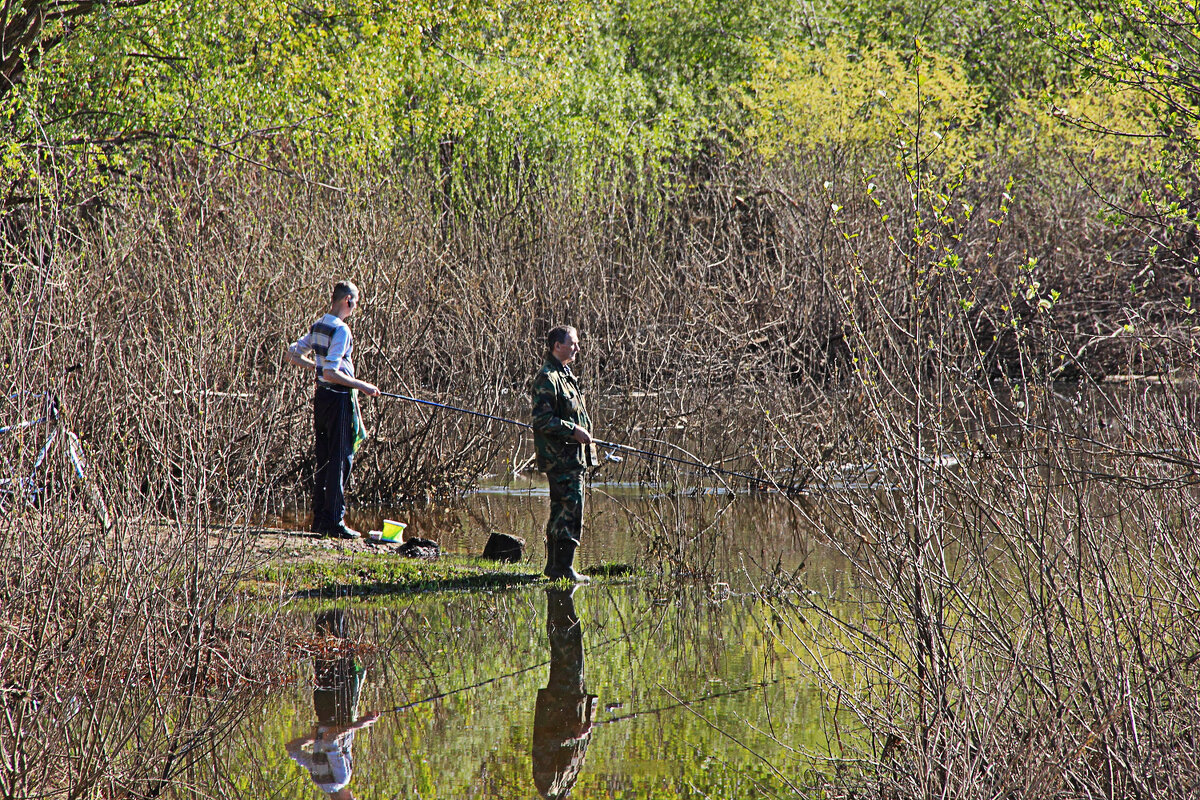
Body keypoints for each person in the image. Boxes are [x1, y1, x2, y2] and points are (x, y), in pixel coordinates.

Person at [286, 280, 379, 539]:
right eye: (356, 302)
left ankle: (320, 520)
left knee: (324, 459)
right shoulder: (341, 330)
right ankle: (335, 523)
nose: (355, 307)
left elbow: (293, 353)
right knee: (340, 459)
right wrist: (363, 386)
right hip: (338, 400)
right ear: (348, 300)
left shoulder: (318, 326)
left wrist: (315, 368)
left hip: (321, 398)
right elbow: (331, 371)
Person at [286, 609, 381, 799]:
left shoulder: (342, 778)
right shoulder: (318, 779)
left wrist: (362, 723)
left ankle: (336, 614)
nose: (355, 798)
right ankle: (322, 616)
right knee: (322, 662)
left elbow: (330, 739)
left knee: (344, 659)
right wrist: (314, 737)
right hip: (321, 709)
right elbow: (292, 748)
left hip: (339, 709)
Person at [530, 325, 598, 582]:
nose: (577, 348)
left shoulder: (565, 374)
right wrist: (573, 430)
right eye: (573, 343)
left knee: (565, 510)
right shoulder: (547, 377)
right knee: (570, 510)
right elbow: (542, 420)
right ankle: (563, 568)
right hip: (561, 458)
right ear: (557, 346)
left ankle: (555, 567)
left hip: (572, 458)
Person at [532, 586, 598, 799]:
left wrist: (572, 734)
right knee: (571, 638)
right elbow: (581, 742)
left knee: (565, 636)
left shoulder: (547, 785)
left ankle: (560, 588)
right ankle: (561, 587)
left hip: (561, 695)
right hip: (574, 695)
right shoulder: (564, 789)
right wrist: (590, 717)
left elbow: (544, 742)